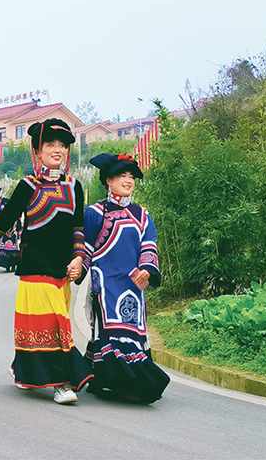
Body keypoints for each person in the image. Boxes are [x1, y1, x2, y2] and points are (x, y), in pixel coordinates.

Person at [0, 118, 92, 404]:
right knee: (58, 326)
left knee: (47, 327)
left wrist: (78, 258)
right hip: (34, 268)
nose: (57, 150)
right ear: (37, 150)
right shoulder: (27, 186)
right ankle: (61, 383)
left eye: (62, 145)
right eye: (50, 145)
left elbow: (78, 229)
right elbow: (1, 224)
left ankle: (26, 368)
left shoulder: (75, 187)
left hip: (62, 271)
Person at [82, 153, 169, 403]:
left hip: (132, 285)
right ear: (108, 180)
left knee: (133, 332)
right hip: (106, 284)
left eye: (131, 176)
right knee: (110, 331)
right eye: (122, 175)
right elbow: (84, 249)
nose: (128, 180)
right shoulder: (95, 213)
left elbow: (149, 244)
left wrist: (147, 268)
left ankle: (116, 381)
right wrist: (75, 270)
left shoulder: (142, 214)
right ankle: (117, 381)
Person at [0, 198, 21, 272]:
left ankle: (13, 265)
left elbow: (18, 223)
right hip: (3, 234)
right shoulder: (0, 214)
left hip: (13, 233)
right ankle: (6, 265)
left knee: (13, 250)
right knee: (4, 250)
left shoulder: (15, 213)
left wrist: (18, 231)